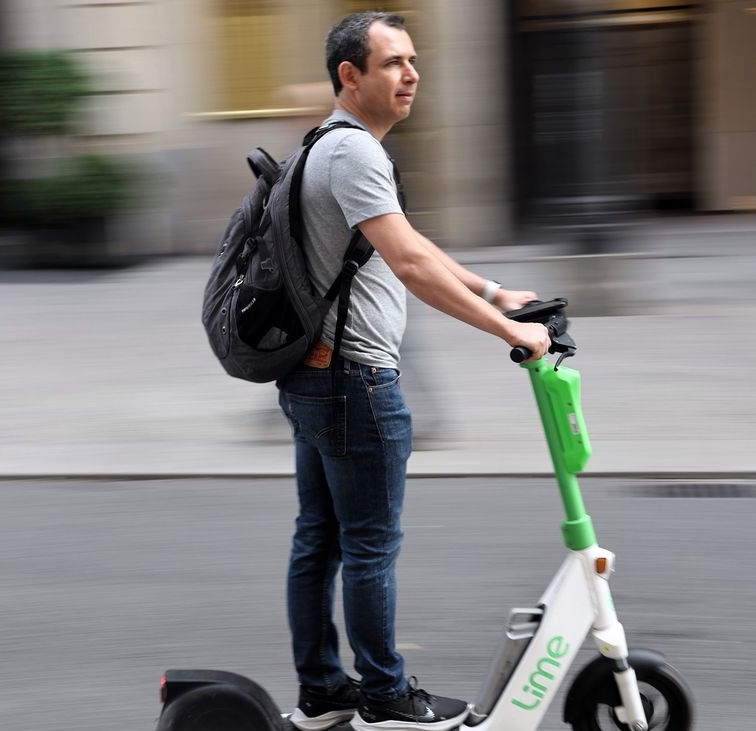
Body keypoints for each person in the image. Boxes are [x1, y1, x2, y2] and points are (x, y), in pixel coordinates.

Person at [277, 12, 552, 731]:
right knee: (367, 543)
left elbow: (408, 242)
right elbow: (411, 265)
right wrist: (509, 331)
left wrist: (493, 291)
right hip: (356, 384)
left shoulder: (325, 145)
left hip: (314, 377)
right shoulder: (354, 154)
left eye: (413, 59)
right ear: (350, 75)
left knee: (321, 537)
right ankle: (383, 694)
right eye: (393, 61)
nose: (412, 74)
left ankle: (322, 690)